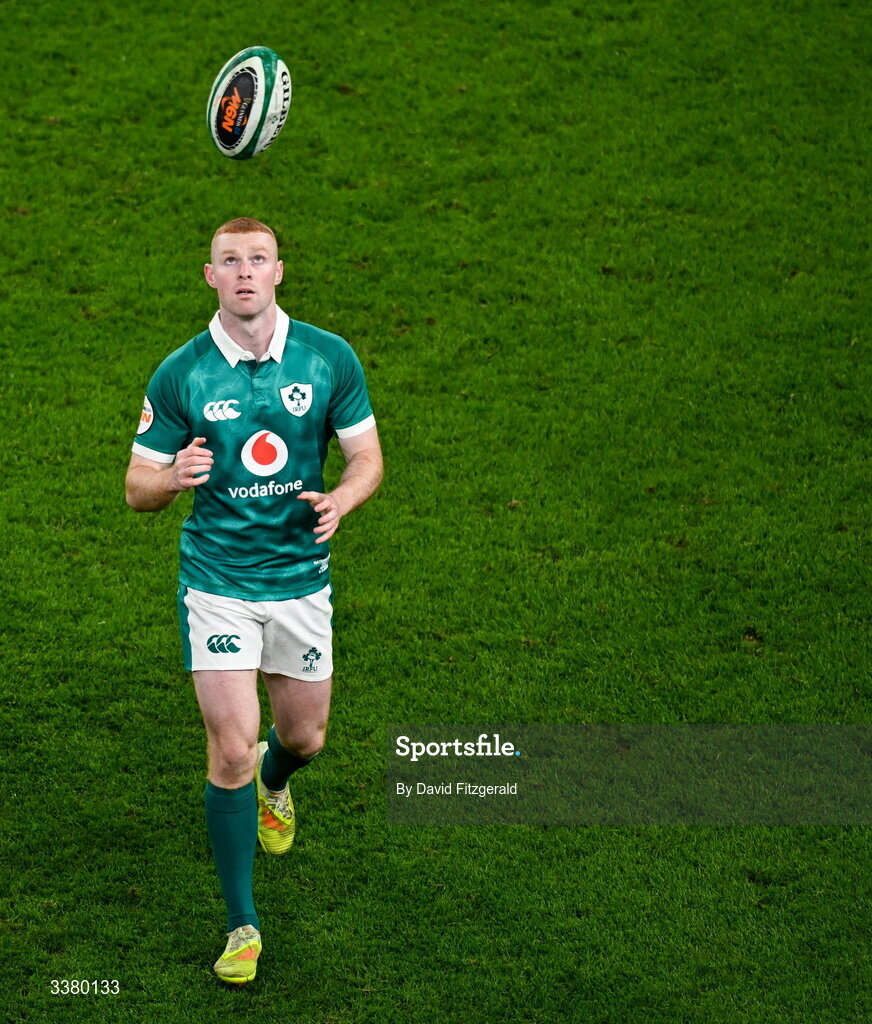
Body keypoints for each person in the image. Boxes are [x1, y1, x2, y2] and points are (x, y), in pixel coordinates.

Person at [125, 217, 383, 984]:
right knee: (231, 746)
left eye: (258, 259)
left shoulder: (327, 358)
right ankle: (242, 921)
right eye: (229, 260)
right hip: (219, 586)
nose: (244, 271)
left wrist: (342, 498)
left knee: (303, 739)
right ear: (210, 275)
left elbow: (367, 457)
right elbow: (135, 486)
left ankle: (279, 784)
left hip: (300, 581)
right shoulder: (180, 374)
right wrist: (173, 478)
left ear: (279, 271)